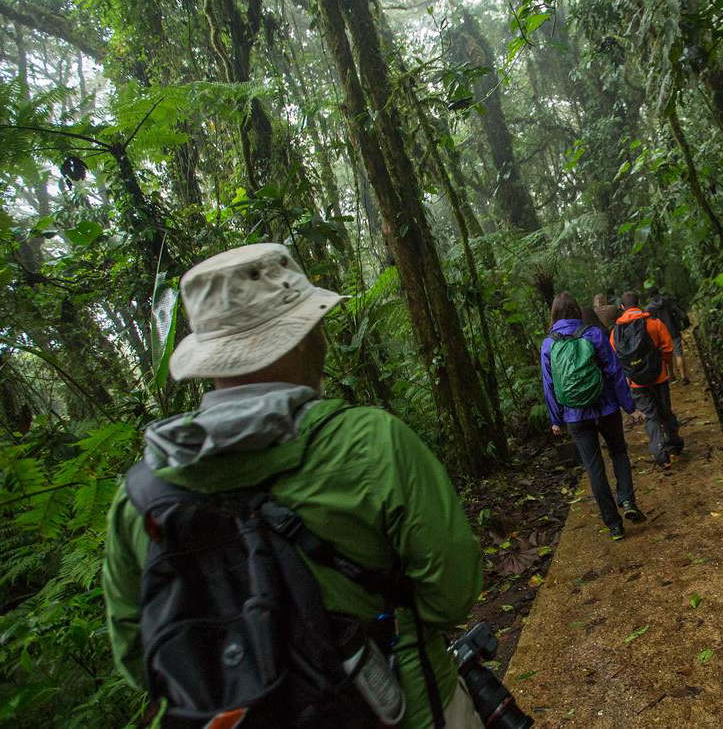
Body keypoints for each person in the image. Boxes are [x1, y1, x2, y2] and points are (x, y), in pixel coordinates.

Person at [102, 243, 485, 729]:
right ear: (301, 337)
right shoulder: (371, 442)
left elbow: (140, 655)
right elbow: (452, 593)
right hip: (399, 708)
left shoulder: (140, 498)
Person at [542, 291, 646, 540]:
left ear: (554, 314)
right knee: (618, 452)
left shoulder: (548, 344)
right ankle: (628, 501)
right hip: (606, 408)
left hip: (575, 416)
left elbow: (549, 384)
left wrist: (556, 419)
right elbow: (615, 372)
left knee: (594, 468)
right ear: (577, 310)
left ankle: (614, 525)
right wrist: (629, 407)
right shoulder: (593, 333)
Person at [610, 290, 685, 470]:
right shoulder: (654, 323)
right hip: (659, 377)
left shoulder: (616, 332)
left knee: (650, 416)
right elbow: (667, 348)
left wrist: (628, 375)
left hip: (637, 382)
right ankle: (674, 443)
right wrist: (664, 365)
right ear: (640, 303)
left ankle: (661, 454)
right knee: (665, 411)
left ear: (622, 307)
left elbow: (615, 357)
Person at [646, 287, 691, 384]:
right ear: (658, 292)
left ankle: (671, 377)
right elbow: (680, 314)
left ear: (650, 296)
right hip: (674, 331)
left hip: (660, 336)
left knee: (666, 356)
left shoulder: (649, 308)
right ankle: (684, 377)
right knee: (678, 354)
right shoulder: (667, 301)